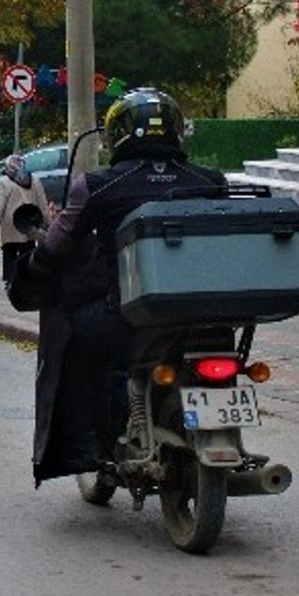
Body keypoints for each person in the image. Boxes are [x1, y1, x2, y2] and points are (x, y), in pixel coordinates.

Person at [12, 88, 227, 484]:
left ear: (120, 134)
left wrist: (35, 263)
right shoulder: (210, 181)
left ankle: (90, 443)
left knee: (76, 334)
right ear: (177, 131)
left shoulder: (98, 185)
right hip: (210, 316)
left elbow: (59, 244)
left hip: (129, 315)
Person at [0, 153, 48, 283]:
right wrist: (46, 222)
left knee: (10, 252)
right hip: (30, 222)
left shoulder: (5, 183)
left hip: (11, 225)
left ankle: (10, 279)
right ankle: (26, 278)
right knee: (28, 251)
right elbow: (42, 203)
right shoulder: (35, 181)